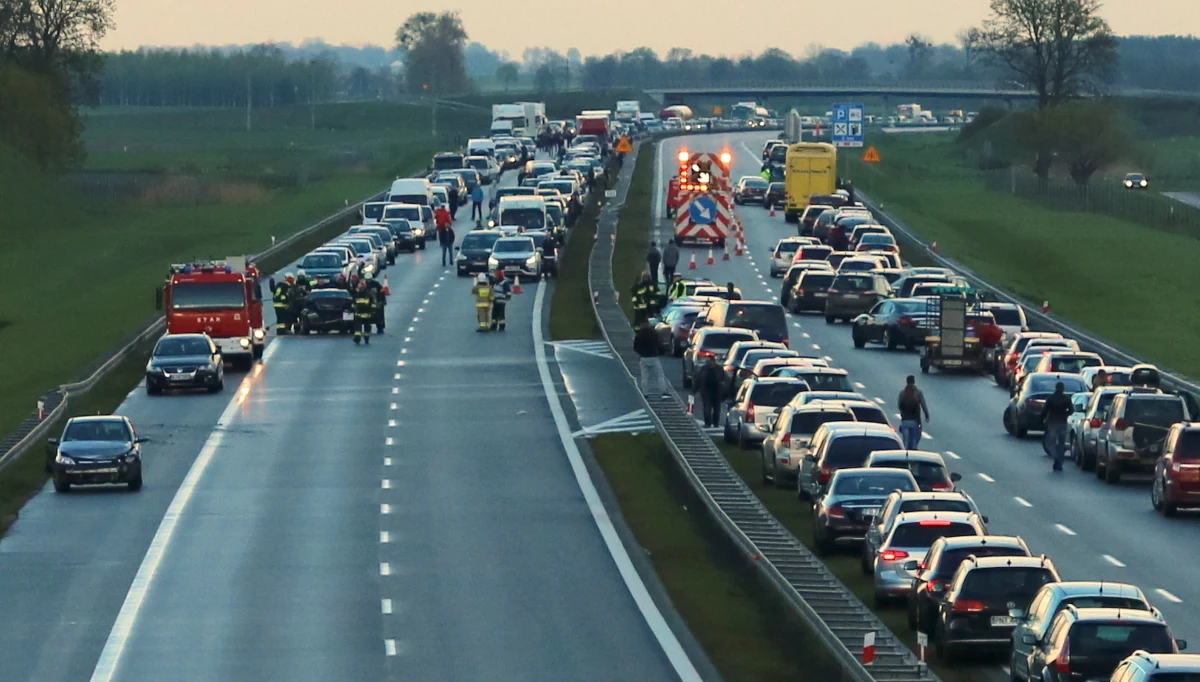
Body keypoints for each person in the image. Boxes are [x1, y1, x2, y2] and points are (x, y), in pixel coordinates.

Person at [1042, 382, 1074, 471]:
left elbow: (1045, 411)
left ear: (1056, 388)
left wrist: (1042, 420)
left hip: (1052, 422)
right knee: (1061, 443)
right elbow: (1071, 410)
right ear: (1063, 388)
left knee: (1051, 442)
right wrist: (1065, 414)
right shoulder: (1066, 399)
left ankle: (1055, 457)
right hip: (1063, 422)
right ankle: (1059, 461)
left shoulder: (1051, 398)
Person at [633, 321, 666, 397]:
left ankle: (645, 393)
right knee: (660, 376)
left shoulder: (639, 335)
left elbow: (635, 347)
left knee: (645, 377)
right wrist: (662, 351)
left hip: (644, 357)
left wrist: (641, 353)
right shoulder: (653, 334)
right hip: (654, 357)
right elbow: (658, 344)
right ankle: (664, 392)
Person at [897, 375, 931, 450]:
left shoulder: (902, 393)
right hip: (915, 420)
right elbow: (923, 404)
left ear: (907, 381)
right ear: (914, 381)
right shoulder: (918, 393)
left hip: (905, 420)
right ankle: (913, 455)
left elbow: (899, 405)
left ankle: (904, 456)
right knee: (914, 440)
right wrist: (926, 415)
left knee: (905, 441)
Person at [693, 355, 725, 428]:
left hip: (717, 392)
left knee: (717, 409)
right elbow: (698, 380)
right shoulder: (703, 369)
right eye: (706, 361)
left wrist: (724, 392)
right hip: (706, 392)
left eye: (709, 361)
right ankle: (707, 423)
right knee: (707, 408)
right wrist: (694, 390)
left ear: (713, 361)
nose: (707, 363)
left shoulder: (719, 369)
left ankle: (716, 423)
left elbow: (723, 381)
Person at [352, 280, 374, 345]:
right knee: (358, 328)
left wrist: (372, 311)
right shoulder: (357, 294)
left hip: (365, 314)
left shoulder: (368, 294)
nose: (361, 288)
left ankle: (366, 338)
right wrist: (352, 308)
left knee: (366, 327)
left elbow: (372, 303)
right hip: (359, 314)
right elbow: (353, 303)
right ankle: (357, 338)